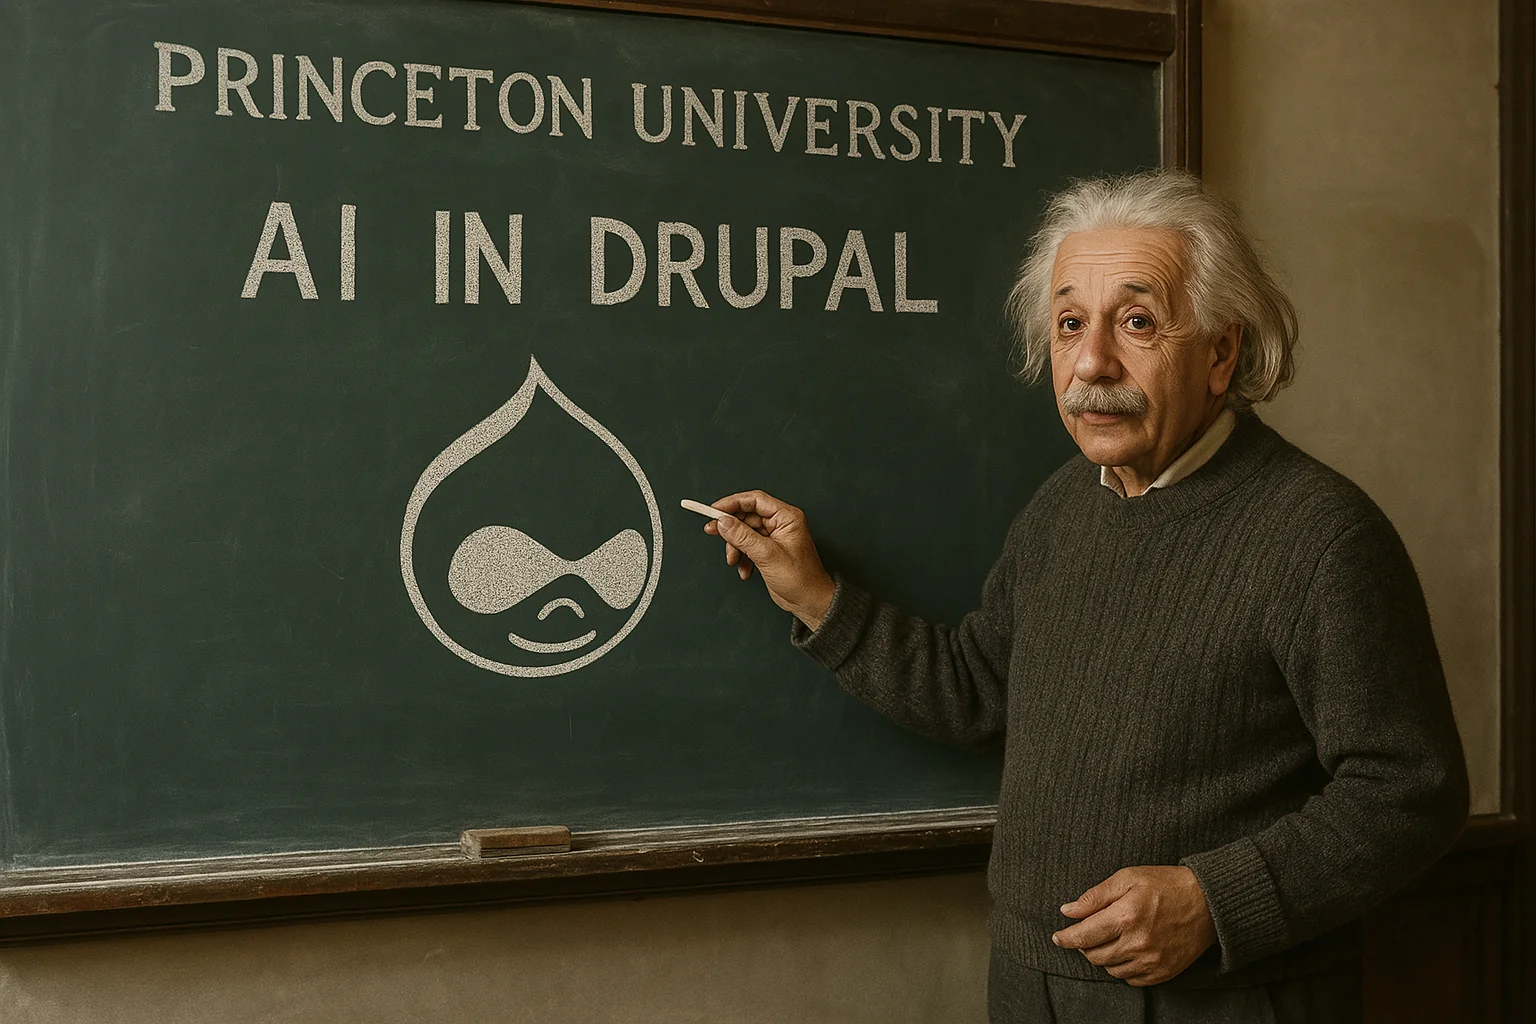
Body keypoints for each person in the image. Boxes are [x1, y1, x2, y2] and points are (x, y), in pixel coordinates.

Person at [699, 170, 1469, 1024]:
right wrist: (813, 595)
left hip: (1222, 999)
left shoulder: (1321, 535)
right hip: (1032, 989)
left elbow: (1411, 790)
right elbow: (976, 692)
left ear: (1222, 352)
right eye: (1071, 325)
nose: (1094, 362)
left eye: (1137, 322)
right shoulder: (1065, 504)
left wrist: (1215, 901)